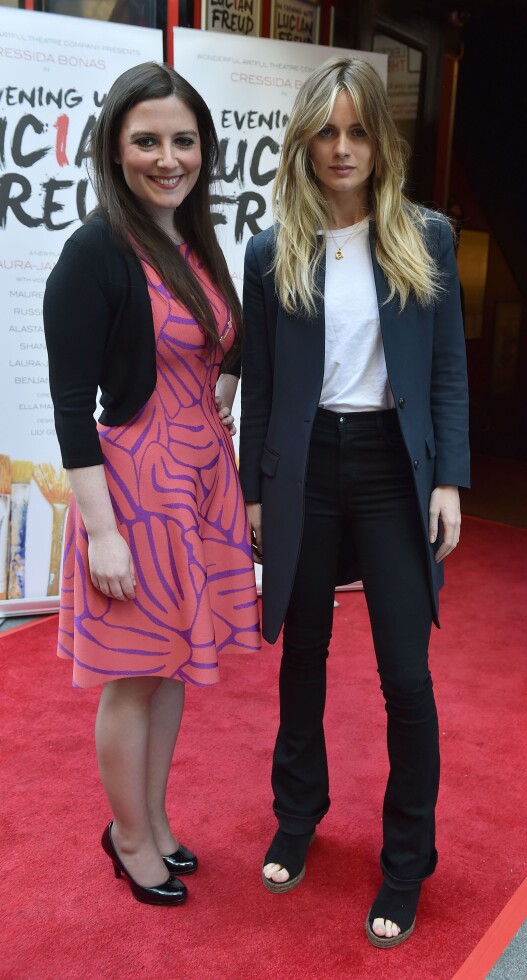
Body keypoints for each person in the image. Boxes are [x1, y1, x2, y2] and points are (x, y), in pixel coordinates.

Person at [240, 56, 469, 947]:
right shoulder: (271, 248)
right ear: (304, 137)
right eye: (327, 131)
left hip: (390, 468)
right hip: (303, 468)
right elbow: (262, 382)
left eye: (359, 131)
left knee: (405, 677)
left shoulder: (426, 236)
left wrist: (448, 476)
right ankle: (298, 817)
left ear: (382, 140)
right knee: (303, 656)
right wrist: (262, 492)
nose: (342, 149)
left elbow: (446, 368)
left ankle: (407, 860)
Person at [43, 62, 260, 906]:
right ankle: (128, 835)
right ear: (115, 147)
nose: (168, 157)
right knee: (134, 674)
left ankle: (156, 820)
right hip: (135, 496)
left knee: (170, 669)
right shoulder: (95, 251)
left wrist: (225, 409)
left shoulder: (193, 239)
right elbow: (70, 409)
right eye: (147, 141)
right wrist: (102, 532)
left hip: (198, 486)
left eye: (183, 140)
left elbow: (221, 347)